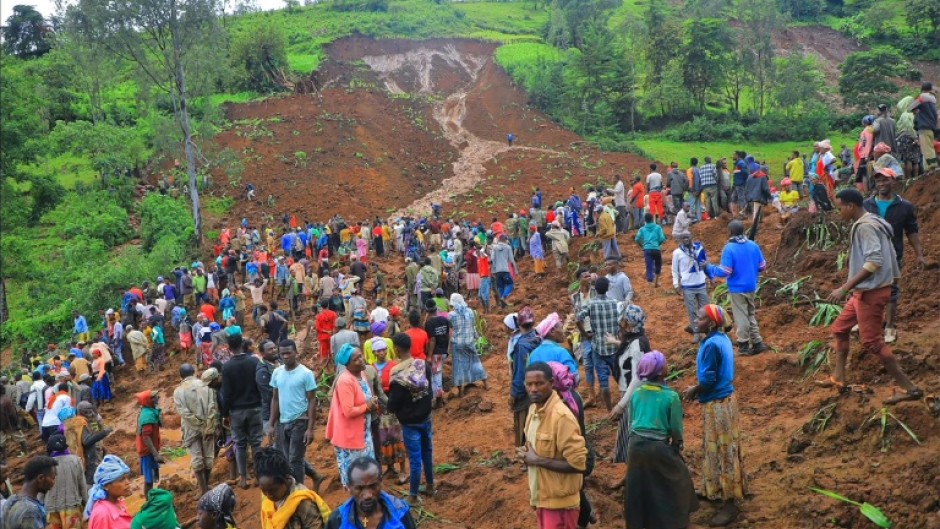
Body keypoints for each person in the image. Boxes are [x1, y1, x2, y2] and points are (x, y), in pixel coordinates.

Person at [823, 189, 923, 404]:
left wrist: (844, 288)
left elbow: (874, 261)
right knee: (840, 329)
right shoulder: (872, 220)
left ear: (851, 206)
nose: (838, 212)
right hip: (865, 291)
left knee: (872, 342)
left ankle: (911, 389)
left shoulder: (866, 227)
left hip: (871, 292)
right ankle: (839, 377)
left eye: (840, 207)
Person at [682, 305, 745, 527]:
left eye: (700, 319)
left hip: (717, 403)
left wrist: (693, 390)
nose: (695, 321)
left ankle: (730, 504)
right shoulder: (722, 338)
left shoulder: (710, 346)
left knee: (722, 450)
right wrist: (697, 331)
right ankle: (716, 488)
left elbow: (708, 379)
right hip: (727, 400)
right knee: (722, 448)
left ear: (711, 323)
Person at [622, 352, 697, 529]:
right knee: (679, 478)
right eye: (665, 364)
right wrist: (677, 445)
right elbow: (676, 429)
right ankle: (674, 521)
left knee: (639, 485)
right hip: (658, 448)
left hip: (635, 446)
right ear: (661, 372)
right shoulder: (670, 397)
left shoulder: (637, 393)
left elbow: (632, 421)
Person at [517, 363, 587, 529]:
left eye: (539, 383)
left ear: (551, 383)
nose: (533, 389)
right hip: (542, 498)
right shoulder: (533, 411)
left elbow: (578, 464)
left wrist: (537, 460)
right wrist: (526, 457)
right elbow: (534, 451)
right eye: (529, 384)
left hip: (561, 505)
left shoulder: (561, 417)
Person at [862, 168, 926, 343]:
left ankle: (889, 327)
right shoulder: (867, 205)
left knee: (891, 290)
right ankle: (869, 322)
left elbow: (911, 231)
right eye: (879, 181)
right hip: (869, 254)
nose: (881, 184)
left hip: (893, 254)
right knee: (867, 287)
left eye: (885, 180)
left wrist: (919, 254)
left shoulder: (905, 207)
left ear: (894, 182)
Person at [706, 220, 769, 356]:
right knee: (750, 313)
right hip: (751, 286)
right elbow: (763, 266)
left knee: (741, 316)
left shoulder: (729, 248)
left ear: (730, 232)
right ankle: (757, 342)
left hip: (737, 288)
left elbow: (725, 271)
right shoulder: (753, 245)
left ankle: (744, 344)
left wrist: (709, 267)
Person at [386, 334, 435, 504]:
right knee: (427, 452)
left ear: (397, 349)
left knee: (414, 459)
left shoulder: (397, 375)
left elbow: (392, 404)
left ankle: (413, 495)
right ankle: (430, 485)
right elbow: (430, 389)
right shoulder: (423, 365)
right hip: (426, 417)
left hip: (409, 423)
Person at [270, 340, 323, 490]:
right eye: (283, 354)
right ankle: (315, 476)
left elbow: (312, 400)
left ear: (296, 353)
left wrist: (310, 428)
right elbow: (275, 398)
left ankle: (299, 491)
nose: (286, 356)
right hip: (282, 421)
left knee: (295, 460)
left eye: (289, 353)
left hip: (300, 420)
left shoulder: (305, 374)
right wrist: (272, 424)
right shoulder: (277, 373)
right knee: (287, 458)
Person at [325, 345, 378, 488]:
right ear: (347, 364)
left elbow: (366, 396)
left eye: (361, 356)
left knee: (366, 473)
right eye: (356, 359)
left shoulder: (362, 375)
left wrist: (372, 401)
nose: (361, 360)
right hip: (350, 437)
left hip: (363, 433)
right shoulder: (345, 381)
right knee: (356, 478)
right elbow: (348, 411)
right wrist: (368, 407)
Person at [220, 334, 264, 489]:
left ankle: (244, 478)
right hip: (255, 407)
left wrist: (225, 414)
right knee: (256, 443)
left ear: (228, 348)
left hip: (236, 411)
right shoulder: (254, 361)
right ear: (242, 344)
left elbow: (227, 393)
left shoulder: (227, 366)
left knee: (240, 444)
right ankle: (259, 477)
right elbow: (260, 384)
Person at [325, 456, 416, 529]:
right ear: (349, 488)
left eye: (373, 486)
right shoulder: (338, 520)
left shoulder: (400, 512)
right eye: (360, 488)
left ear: (381, 482)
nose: (368, 495)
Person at [256, 448, 331, 529]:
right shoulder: (268, 495)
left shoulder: (303, 502)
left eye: (273, 491)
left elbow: (315, 526)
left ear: (286, 480)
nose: (268, 495)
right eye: (264, 491)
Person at [173, 364, 219, 494]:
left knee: (197, 459)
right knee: (209, 457)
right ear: (194, 372)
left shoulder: (178, 391)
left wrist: (197, 423)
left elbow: (183, 412)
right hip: (208, 426)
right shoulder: (206, 386)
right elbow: (212, 406)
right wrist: (207, 425)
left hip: (190, 428)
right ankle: (206, 485)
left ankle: (203, 490)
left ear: (180, 376)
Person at [576, 278, 619, 411]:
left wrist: (585, 334)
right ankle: (625, 402)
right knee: (619, 376)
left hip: (598, 347)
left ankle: (609, 410)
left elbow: (578, 318)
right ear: (607, 288)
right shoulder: (615, 303)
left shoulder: (591, 304)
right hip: (614, 346)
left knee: (603, 381)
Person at [508, 308, 540, 446]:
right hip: (542, 385)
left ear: (519, 324)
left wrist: (515, 394)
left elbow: (520, 372)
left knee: (523, 424)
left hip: (526, 390)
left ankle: (524, 456)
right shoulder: (539, 337)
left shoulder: (521, 345)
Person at [672, 233, 712, 342]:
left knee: (705, 309)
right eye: (683, 238)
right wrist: (676, 284)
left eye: (687, 237)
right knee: (692, 311)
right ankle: (696, 333)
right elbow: (675, 270)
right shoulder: (677, 253)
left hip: (701, 283)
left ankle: (707, 331)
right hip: (687, 286)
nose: (686, 240)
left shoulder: (699, 249)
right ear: (680, 240)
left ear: (691, 238)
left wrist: (710, 276)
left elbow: (706, 262)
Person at [43, 434, 87, 529]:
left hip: (51, 509)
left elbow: (40, 490)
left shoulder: (44, 464)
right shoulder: (76, 461)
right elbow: (82, 485)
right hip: (72, 506)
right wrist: (86, 503)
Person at [1, 456, 57, 529]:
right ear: (41, 478)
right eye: (53, 478)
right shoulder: (29, 510)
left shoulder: (11, 500)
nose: (54, 482)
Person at [448, 294, 488, 396]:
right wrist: (476, 337)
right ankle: (485, 384)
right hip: (470, 341)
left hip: (457, 344)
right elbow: (473, 326)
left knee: (459, 366)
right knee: (475, 362)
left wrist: (449, 344)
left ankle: (461, 392)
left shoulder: (451, 315)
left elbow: (450, 331)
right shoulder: (470, 311)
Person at [85, 455, 133, 529]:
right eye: (121, 480)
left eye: (127, 478)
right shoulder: (102, 514)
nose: (128, 482)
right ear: (106, 486)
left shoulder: (119, 503)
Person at [528, 313, 579, 377]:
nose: (563, 331)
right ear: (552, 331)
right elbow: (575, 377)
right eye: (561, 328)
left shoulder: (533, 354)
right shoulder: (561, 352)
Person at [135, 390, 164, 495]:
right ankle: (148, 502)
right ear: (148, 400)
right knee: (149, 480)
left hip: (149, 450)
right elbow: (146, 437)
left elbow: (162, 424)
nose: (158, 398)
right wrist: (156, 455)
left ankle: (149, 499)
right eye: (155, 397)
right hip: (147, 451)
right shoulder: (147, 416)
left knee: (151, 478)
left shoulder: (150, 411)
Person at [424, 299, 451, 407]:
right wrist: (448, 350)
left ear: (427, 311)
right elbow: (449, 334)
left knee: (435, 376)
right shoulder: (444, 319)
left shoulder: (429, 323)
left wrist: (429, 356)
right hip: (444, 351)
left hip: (436, 354)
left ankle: (438, 399)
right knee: (438, 373)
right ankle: (439, 398)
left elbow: (433, 340)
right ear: (436, 309)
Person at [908, 82, 938, 170]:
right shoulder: (933, 99)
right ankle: (927, 168)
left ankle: (932, 166)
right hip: (931, 127)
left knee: (926, 149)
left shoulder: (922, 97)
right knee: (929, 147)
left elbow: (910, 108)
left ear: (922, 89)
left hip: (924, 127)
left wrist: (916, 110)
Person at [635, 213, 667, 290]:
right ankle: (656, 283)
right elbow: (662, 239)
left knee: (649, 267)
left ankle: (650, 288)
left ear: (645, 220)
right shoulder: (658, 227)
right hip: (656, 249)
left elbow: (637, 239)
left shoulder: (642, 229)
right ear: (652, 219)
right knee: (658, 265)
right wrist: (658, 245)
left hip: (647, 249)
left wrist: (642, 246)